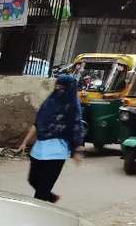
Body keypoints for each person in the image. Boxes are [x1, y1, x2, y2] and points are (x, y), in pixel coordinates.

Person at [15, 74, 84, 204]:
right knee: (33, 180)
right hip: (39, 149)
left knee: (42, 190)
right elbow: (37, 123)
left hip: (57, 153)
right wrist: (25, 142)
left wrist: (77, 150)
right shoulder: (49, 102)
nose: (58, 89)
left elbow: (77, 126)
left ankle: (37, 215)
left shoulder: (72, 106)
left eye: (62, 87)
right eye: (57, 86)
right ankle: (51, 197)